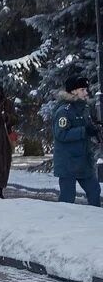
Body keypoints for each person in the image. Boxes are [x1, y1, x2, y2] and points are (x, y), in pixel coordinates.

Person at [51, 77, 101, 206]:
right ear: (73, 92)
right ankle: (64, 222)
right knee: (68, 198)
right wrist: (84, 131)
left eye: (86, 89)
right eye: (82, 89)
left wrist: (94, 130)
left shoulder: (83, 108)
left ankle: (91, 221)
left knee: (94, 191)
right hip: (68, 162)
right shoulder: (64, 111)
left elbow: (88, 128)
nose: (86, 92)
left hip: (83, 161)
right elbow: (61, 134)